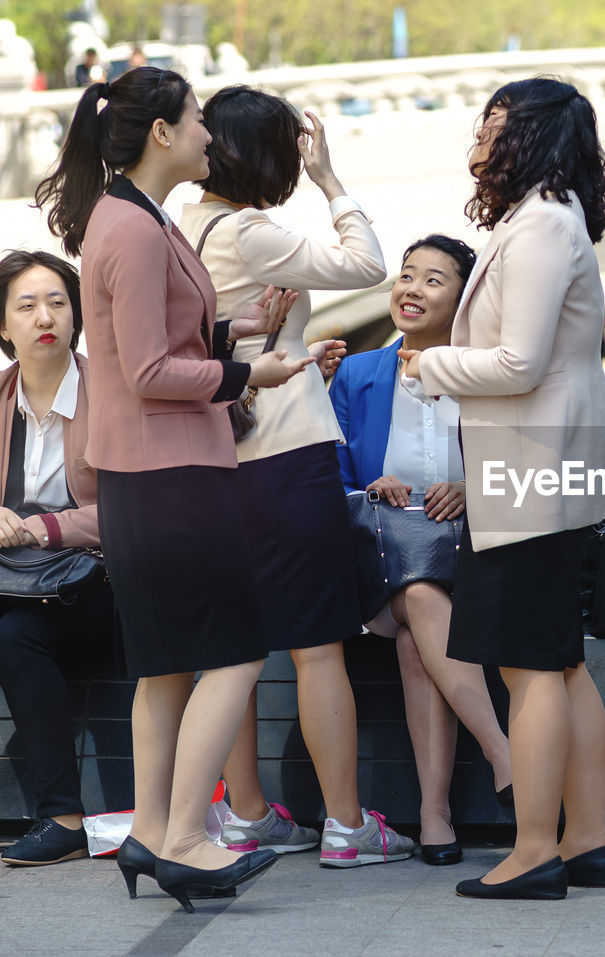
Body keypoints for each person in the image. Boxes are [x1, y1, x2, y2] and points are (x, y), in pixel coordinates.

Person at [33, 66, 312, 910]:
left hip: (145, 473)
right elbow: (152, 370)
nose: (208, 137)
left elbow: (134, 342)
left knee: (163, 670)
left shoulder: (126, 217)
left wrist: (234, 328)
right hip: (171, 469)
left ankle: (154, 832)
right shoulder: (139, 227)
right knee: (236, 651)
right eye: (197, 121)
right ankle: (188, 833)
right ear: (161, 132)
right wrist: (243, 370)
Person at [399, 76, 605, 900]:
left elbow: (519, 363)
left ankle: (536, 848)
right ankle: (588, 839)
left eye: (496, 120)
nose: (483, 133)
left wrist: (429, 365)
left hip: (531, 474)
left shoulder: (537, 227)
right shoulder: (550, 217)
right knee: (561, 663)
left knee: (530, 667)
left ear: (528, 134)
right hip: (547, 469)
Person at [179, 85, 416, 869]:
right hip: (286, 454)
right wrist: (331, 182)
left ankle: (246, 812)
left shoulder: (186, 222)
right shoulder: (249, 231)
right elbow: (368, 264)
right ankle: (347, 823)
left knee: (234, 649)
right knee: (318, 647)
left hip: (215, 459)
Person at [329, 234, 513, 866]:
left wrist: (473, 487)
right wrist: (368, 485)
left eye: (433, 280)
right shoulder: (357, 373)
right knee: (414, 589)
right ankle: (503, 754)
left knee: (417, 633)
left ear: (462, 299)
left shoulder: (488, 371)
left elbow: (524, 465)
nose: (412, 288)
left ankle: (435, 819)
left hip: (472, 551)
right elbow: (329, 471)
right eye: (407, 275)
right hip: (380, 552)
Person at [0, 252, 113, 867]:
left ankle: (63, 817)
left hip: (100, 582)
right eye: (26, 305)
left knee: (14, 636)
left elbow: (135, 506)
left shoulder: (113, 392)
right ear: (3, 326)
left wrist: (44, 527)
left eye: (58, 302)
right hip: (14, 586)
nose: (45, 316)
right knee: (11, 628)